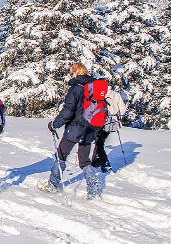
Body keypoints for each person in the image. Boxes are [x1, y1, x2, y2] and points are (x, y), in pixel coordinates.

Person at [42, 62, 106, 199]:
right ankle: (93, 190)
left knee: (61, 155)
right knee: (84, 159)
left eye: (72, 72)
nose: (71, 74)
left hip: (75, 127)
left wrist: (55, 124)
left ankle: (53, 184)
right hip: (91, 128)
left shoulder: (76, 88)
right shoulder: (93, 87)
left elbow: (68, 111)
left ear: (76, 72)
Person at [91, 78, 126, 173]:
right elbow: (123, 108)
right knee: (100, 141)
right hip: (113, 121)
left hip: (102, 120)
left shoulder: (99, 93)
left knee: (99, 142)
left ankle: (104, 163)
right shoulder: (116, 94)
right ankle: (96, 161)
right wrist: (119, 116)